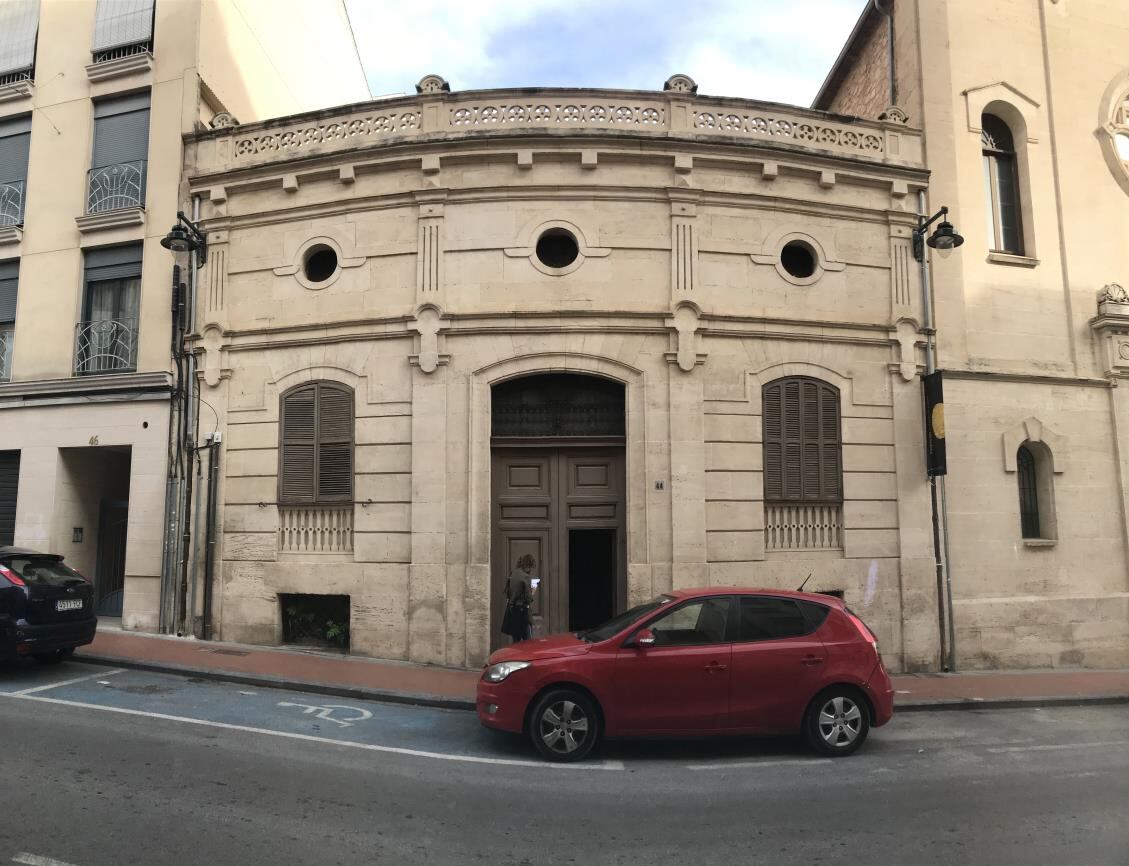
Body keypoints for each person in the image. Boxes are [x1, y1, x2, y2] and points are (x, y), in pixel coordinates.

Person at [500, 554, 536, 643]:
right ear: (529, 565)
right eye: (531, 567)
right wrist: (534, 589)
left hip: (513, 613)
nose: (531, 570)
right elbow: (529, 598)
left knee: (516, 643)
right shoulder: (526, 577)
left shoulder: (513, 573)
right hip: (523, 613)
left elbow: (507, 592)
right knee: (529, 643)